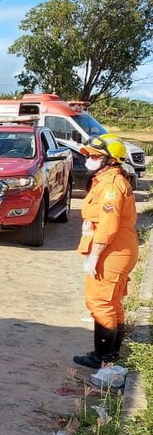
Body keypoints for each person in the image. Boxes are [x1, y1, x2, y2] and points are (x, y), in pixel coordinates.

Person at [73, 133, 139, 368]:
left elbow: (108, 226)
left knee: (100, 302)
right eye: (89, 155)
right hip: (119, 248)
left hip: (113, 250)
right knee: (112, 302)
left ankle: (103, 356)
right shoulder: (108, 180)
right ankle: (109, 354)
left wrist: (95, 256)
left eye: (94, 156)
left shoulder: (111, 186)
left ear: (110, 160)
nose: (88, 160)